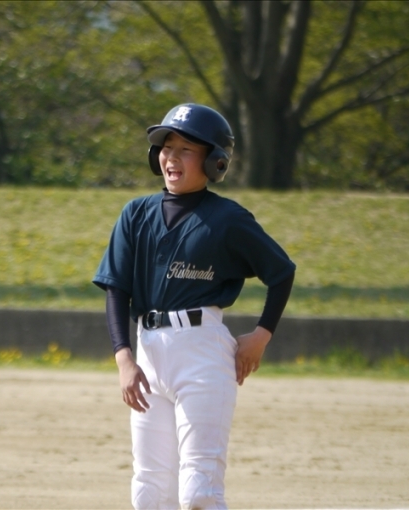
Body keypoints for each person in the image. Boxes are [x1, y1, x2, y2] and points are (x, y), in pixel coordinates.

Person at [93, 104, 296, 509]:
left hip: (202, 354)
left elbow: (281, 272)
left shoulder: (227, 218)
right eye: (167, 147)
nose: (172, 157)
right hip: (148, 354)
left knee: (199, 489)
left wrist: (261, 335)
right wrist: (124, 359)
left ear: (214, 161)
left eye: (186, 149)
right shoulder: (136, 214)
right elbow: (116, 289)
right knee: (149, 488)